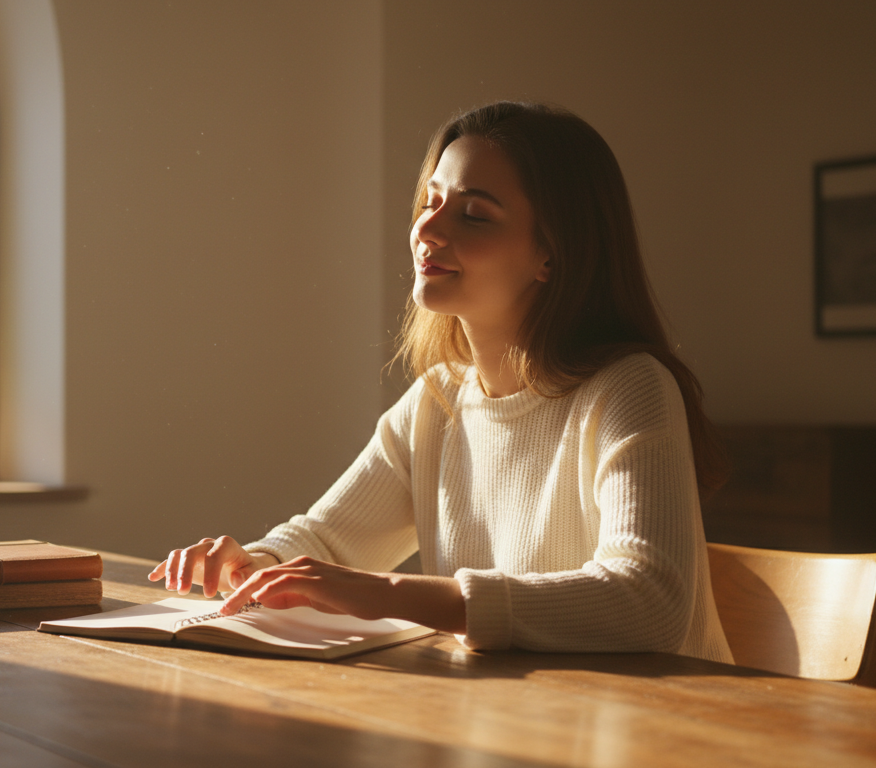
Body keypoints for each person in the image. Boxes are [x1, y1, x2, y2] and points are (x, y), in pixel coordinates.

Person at [149, 100, 734, 663]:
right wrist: (255, 564)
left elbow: (649, 603)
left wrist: (390, 594)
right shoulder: (439, 399)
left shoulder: (630, 388)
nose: (426, 228)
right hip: (513, 714)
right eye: (430, 202)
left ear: (552, 255)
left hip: (658, 722)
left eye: (474, 214)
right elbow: (330, 542)